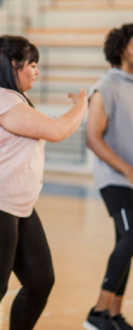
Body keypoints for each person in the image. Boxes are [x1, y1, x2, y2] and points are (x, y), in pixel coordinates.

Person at [0, 35, 88, 330]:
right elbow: (56, 130)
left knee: (40, 281)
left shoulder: (10, 98)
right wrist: (82, 105)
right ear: (15, 66)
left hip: (17, 206)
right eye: (33, 64)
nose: (37, 71)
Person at [83, 24, 133, 330]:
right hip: (115, 180)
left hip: (130, 179)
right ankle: (97, 314)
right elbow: (92, 137)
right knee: (131, 238)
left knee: (126, 243)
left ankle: (114, 315)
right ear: (122, 47)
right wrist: (127, 169)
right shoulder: (107, 84)